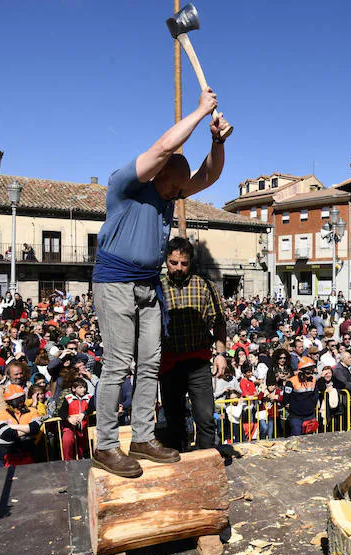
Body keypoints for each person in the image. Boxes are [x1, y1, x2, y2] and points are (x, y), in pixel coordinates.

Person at [90, 88, 230, 478]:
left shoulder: (171, 192)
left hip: (148, 285)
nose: (175, 195)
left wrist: (216, 141)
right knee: (118, 364)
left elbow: (210, 174)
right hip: (115, 281)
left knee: (150, 362)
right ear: (160, 171)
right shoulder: (125, 184)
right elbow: (164, 144)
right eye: (172, 187)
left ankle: (142, 438)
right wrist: (201, 112)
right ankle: (104, 445)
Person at [158, 237, 228, 452]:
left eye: (184, 263)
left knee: (206, 418)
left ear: (191, 262)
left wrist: (221, 354)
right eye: (173, 262)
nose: (179, 268)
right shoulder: (156, 286)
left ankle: (206, 460)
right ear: (166, 261)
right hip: (169, 365)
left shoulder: (206, 285)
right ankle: (179, 465)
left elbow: (219, 322)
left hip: (198, 364)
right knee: (174, 421)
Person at [0, 385, 42, 467]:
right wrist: (27, 430)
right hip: (6, 453)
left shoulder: (32, 411)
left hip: (27, 452)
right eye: (17, 399)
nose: (21, 401)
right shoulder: (1, 414)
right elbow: (5, 433)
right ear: (9, 401)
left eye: (22, 397)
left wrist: (13, 427)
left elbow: (35, 428)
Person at [283, 357, 319, 436]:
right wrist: (292, 407)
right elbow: (286, 397)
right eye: (307, 369)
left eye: (311, 369)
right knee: (296, 438)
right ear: (302, 370)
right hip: (296, 417)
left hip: (310, 415)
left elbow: (315, 395)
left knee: (310, 440)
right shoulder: (291, 381)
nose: (310, 371)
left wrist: (312, 406)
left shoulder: (313, 380)